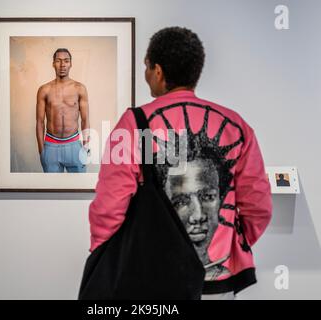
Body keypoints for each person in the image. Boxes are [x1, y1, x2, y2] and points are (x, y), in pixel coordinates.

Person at [89, 27, 272, 299]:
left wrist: (102, 255)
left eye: (147, 67)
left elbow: (110, 204)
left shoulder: (133, 125)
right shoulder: (238, 126)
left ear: (158, 71)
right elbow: (258, 206)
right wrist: (230, 242)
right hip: (215, 285)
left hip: (152, 281)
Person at [36, 48, 90, 173]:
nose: (62, 65)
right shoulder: (44, 90)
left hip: (74, 145)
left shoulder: (79, 88)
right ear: (53, 64)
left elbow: (85, 120)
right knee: (51, 190)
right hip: (51, 147)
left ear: (71, 63)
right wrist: (41, 150)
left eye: (66, 61)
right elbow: (39, 122)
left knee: (78, 188)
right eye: (58, 61)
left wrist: (86, 147)